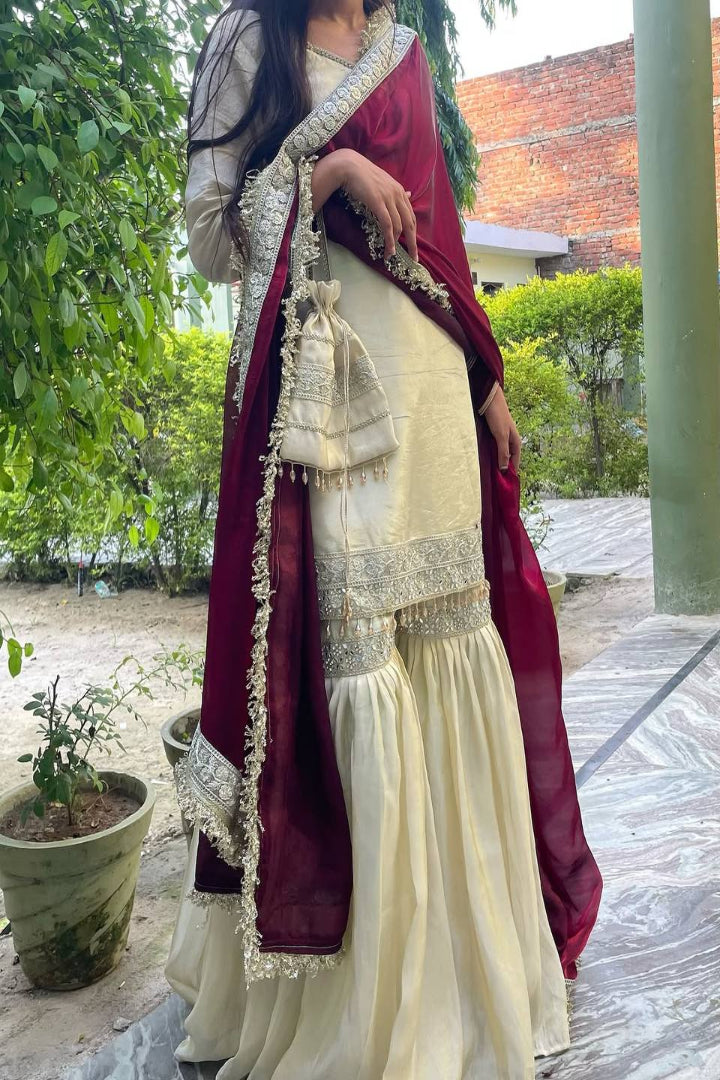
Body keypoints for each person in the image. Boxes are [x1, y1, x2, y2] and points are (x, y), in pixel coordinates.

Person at [165, 2, 603, 1077]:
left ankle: (470, 968)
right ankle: (366, 1004)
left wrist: (486, 376)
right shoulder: (250, 40)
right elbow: (213, 236)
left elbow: (442, 247)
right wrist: (328, 174)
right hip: (328, 398)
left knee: (450, 643)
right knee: (357, 660)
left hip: (432, 394)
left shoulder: (400, 49)